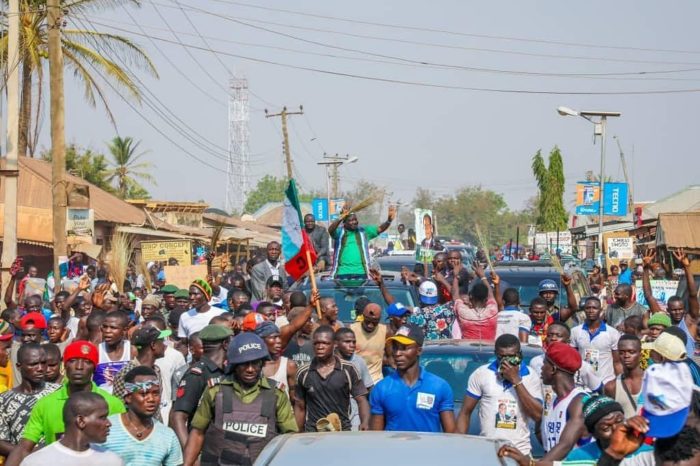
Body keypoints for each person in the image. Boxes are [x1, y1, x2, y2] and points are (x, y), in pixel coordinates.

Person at [182, 332, 298, 466]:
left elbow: (290, 438)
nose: (250, 369)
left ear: (262, 363)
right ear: (235, 365)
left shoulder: (276, 393)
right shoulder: (216, 390)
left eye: (255, 363)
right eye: (244, 364)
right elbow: (197, 432)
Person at [5, 341, 125, 466]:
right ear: (64, 364)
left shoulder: (112, 403)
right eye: (73, 361)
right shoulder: (46, 404)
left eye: (87, 362)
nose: (79, 367)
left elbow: (123, 447)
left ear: (94, 367)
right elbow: (24, 447)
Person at [497, 395, 653, 465]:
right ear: (592, 433)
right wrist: (528, 463)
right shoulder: (581, 456)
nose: (616, 429)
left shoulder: (648, 454)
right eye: (606, 427)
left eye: (619, 421)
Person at [457, 334, 543, 455]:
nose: (507, 361)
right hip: (487, 451)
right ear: (496, 354)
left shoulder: (531, 375)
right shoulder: (482, 374)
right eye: (503, 357)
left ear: (519, 354)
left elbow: (538, 415)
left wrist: (516, 380)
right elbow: (465, 413)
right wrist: (458, 446)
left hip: (520, 452)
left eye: (512, 356)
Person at [370, 323, 455, 432]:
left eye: (404, 348)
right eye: (395, 348)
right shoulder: (381, 388)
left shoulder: (440, 387)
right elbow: (376, 437)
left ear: (419, 351)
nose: (397, 353)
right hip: (393, 449)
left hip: (429, 449)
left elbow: (451, 435)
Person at [101, 366, 182, 466]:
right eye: (144, 394)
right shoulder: (106, 429)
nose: (151, 399)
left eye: (156, 393)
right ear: (128, 397)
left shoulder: (168, 436)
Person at [295, 325, 369, 432]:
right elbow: (300, 406)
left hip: (342, 431)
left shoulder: (348, 369)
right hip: (314, 433)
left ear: (334, 344)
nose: (320, 347)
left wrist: (365, 423)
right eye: (316, 343)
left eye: (325, 343)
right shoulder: (304, 372)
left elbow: (361, 400)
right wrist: (298, 432)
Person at [19, 391, 123, 466]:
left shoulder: (111, 460)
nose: (109, 423)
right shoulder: (37, 462)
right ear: (81, 421)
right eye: (102, 417)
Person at [170, 325, 231, 448]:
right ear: (225, 344)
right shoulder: (197, 374)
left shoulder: (227, 370)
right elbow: (178, 417)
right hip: (203, 448)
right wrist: (190, 455)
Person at [0, 344, 60, 459]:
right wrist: (29, 455)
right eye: (33, 364)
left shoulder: (59, 392)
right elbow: (1, 442)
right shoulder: (4, 400)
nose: (40, 368)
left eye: (43, 363)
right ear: (19, 366)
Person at [643, 249, 698, 360]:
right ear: (668, 310)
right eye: (674, 310)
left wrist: (687, 268)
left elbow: (692, 294)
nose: (678, 312)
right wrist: (645, 269)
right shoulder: (663, 319)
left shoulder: (689, 321)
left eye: (680, 309)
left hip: (686, 369)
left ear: (684, 309)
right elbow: (649, 296)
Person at [529, 323, 603, 402]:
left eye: (558, 335)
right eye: (550, 335)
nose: (553, 338)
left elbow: (598, 389)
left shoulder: (581, 366)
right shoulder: (535, 362)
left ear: (568, 341)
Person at [539, 342, 587, 460]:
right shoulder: (552, 400)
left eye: (545, 363)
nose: (541, 367)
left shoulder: (579, 401)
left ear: (553, 369)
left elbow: (565, 446)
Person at [328, 204, 396, 278]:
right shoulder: (339, 233)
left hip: (362, 273)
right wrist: (341, 217)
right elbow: (331, 230)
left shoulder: (363, 231)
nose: (354, 222)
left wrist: (389, 221)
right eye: (350, 220)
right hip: (341, 273)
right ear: (344, 222)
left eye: (355, 219)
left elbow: (380, 229)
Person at [112, 326, 168, 410]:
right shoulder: (126, 373)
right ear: (153, 345)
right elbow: (119, 406)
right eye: (162, 341)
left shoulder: (156, 370)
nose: (165, 345)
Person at [571, 296, 622, 384]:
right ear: (584, 310)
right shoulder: (575, 331)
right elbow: (572, 359)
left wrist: (619, 383)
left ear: (601, 310)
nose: (591, 311)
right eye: (588, 308)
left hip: (605, 383)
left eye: (594, 308)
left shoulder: (612, 333)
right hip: (582, 383)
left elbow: (617, 362)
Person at [334, 328, 374, 431]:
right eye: (347, 342)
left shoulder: (359, 362)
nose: (352, 345)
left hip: (355, 414)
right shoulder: (329, 362)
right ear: (336, 343)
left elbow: (369, 388)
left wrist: (367, 420)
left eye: (354, 342)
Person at [452, 262, 499, 341]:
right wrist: (482, 276)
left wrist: (456, 276)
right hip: (488, 350)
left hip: (468, 350)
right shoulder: (492, 311)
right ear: (486, 300)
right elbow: (490, 293)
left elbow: (455, 295)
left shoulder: (464, 312)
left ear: (470, 297)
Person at [603, 334, 644, 418]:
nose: (626, 356)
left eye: (631, 352)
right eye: (621, 353)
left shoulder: (652, 381)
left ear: (640, 354)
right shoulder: (611, 387)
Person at [256, 321, 297, 400]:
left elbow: (294, 398)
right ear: (261, 340)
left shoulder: (288, 365)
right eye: (274, 337)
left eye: (279, 337)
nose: (279, 341)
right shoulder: (252, 366)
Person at [95, 311, 134, 394]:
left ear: (124, 330)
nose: (107, 331)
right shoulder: (97, 350)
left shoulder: (131, 350)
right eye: (105, 327)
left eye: (113, 328)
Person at [350, 303, 388, 383]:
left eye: (375, 322)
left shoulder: (385, 331)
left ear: (379, 319)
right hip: (355, 380)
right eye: (368, 321)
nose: (370, 325)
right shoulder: (351, 330)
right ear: (363, 316)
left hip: (376, 381)